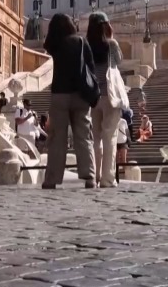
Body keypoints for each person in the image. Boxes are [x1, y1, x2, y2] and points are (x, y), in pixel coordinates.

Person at [41, 13, 96, 189]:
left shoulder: (55, 44)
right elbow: (91, 67)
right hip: (81, 94)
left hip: (60, 94)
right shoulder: (81, 42)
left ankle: (51, 179)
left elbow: (47, 46)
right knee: (83, 137)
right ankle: (89, 177)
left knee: (57, 138)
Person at [86, 12, 124, 188]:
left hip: (94, 97)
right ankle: (107, 179)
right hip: (110, 96)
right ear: (105, 26)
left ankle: (95, 175)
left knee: (96, 138)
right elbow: (119, 61)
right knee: (110, 137)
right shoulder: (111, 44)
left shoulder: (87, 46)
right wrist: (112, 37)